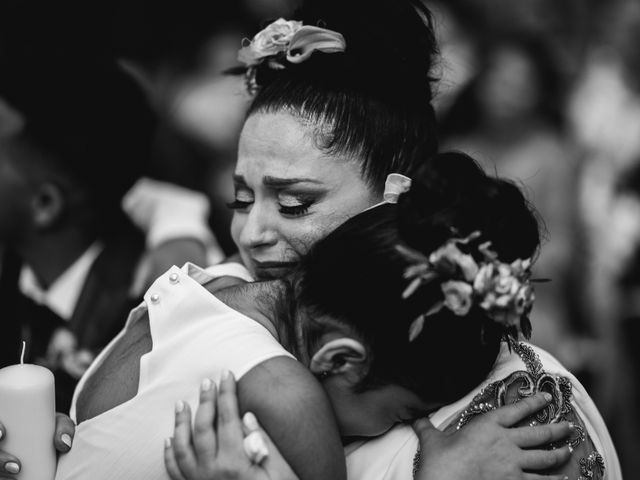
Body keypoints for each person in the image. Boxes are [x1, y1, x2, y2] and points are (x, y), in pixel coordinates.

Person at [162, 152, 620, 480]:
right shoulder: (280, 359)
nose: (256, 235)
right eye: (241, 198)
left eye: (296, 204)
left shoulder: (510, 423)